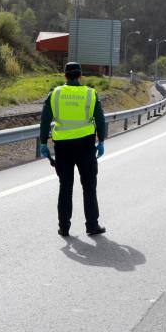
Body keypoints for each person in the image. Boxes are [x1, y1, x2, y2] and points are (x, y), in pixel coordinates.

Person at [39, 62, 107, 237]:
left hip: (63, 147)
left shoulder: (55, 94)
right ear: (80, 76)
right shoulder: (90, 94)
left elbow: (45, 121)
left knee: (65, 187)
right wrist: (102, 141)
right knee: (89, 187)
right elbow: (100, 120)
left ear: (65, 76)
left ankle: (64, 227)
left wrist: (43, 143)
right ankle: (92, 225)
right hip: (85, 146)